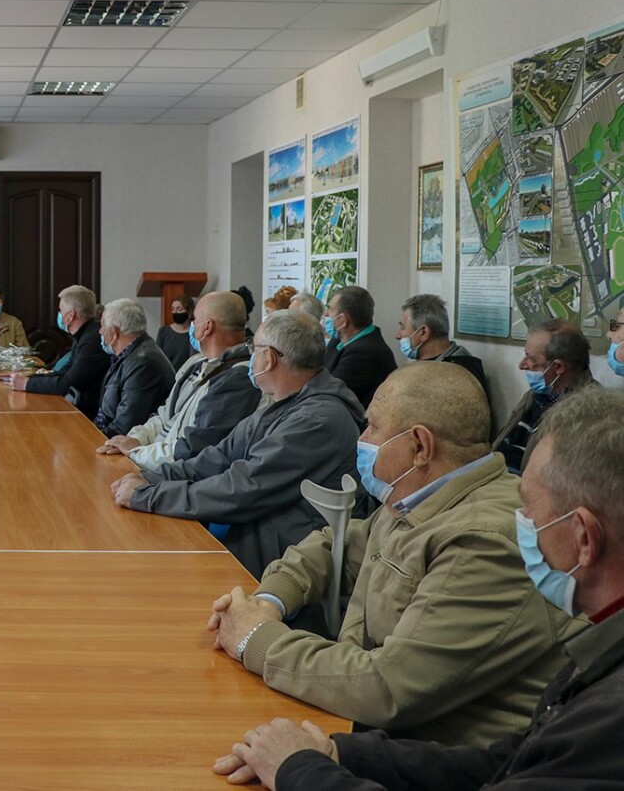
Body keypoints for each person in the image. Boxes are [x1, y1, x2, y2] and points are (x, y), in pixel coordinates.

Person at [214, 389, 624, 790]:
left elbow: (387, 688)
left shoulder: (485, 539)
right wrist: (339, 754)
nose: (523, 524)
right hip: (401, 749)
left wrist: (255, 640)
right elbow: (509, 759)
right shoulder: (415, 502)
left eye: (530, 510)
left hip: (415, 737)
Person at [111, 310, 362, 576]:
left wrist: (149, 497)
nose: (250, 356)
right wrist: (149, 478)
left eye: (254, 349)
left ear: (269, 358)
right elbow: (216, 458)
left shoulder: (317, 420)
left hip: (285, 561)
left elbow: (241, 489)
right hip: (259, 537)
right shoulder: (287, 403)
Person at [98, 291, 260, 471]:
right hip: (156, 461)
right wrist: (137, 438)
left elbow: (193, 449)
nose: (190, 325)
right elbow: (165, 415)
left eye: (194, 319)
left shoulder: (239, 379)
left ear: (207, 327)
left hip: (174, 474)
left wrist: (137, 452)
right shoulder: (197, 362)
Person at [493, 318, 596, 475]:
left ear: (558, 367)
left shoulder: (588, 412)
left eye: (531, 359)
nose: (522, 365)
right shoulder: (537, 394)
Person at [8, 285, 108, 419]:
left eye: (60, 310)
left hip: (87, 414)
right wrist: (29, 378)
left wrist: (26, 384)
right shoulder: (83, 335)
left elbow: (65, 384)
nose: (59, 315)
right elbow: (62, 373)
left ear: (70, 315)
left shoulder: (92, 340)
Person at [93, 298, 175, 437]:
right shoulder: (131, 354)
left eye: (101, 326)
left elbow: (125, 426)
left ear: (113, 332)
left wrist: (89, 440)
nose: (100, 331)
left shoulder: (144, 363)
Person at [322, 285, 398, 410]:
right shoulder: (338, 340)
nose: (325, 313)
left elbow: (328, 393)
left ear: (342, 320)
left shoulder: (365, 352)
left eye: (329, 309)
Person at [396, 293, 488, 393]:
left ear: (423, 333)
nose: (397, 336)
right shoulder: (431, 366)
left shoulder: (458, 375)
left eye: (403, 328)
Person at [154, 294, 197, 370]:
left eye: (179, 309)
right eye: (173, 309)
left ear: (190, 311)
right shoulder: (164, 331)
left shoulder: (195, 332)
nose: (175, 312)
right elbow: (158, 357)